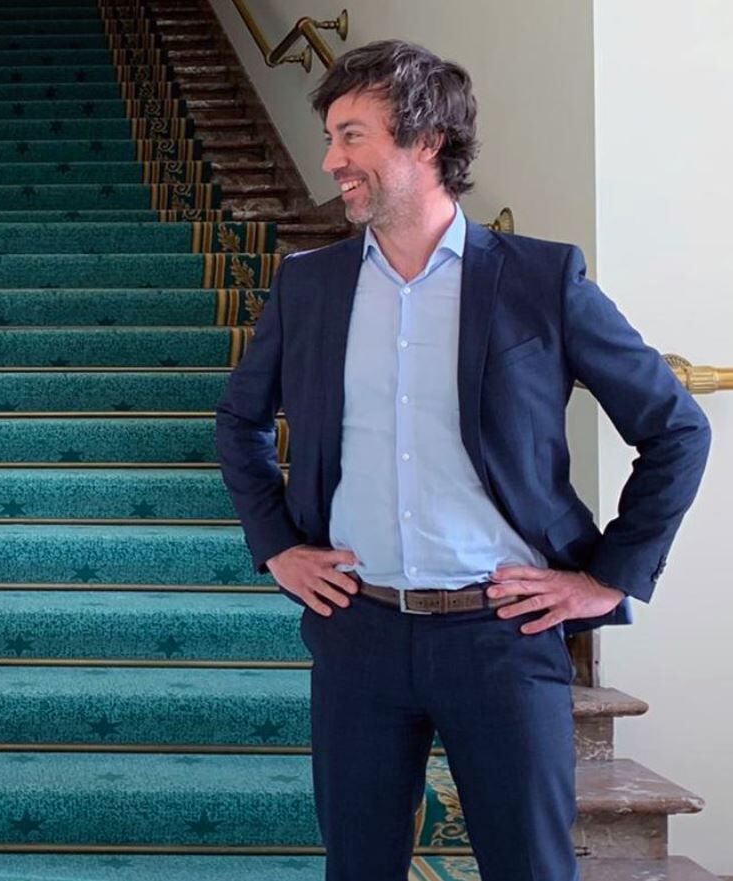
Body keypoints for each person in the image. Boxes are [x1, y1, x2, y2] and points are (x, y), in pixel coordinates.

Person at [217, 40, 710, 881]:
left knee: (531, 868)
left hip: (502, 636)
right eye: (330, 139)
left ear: (427, 140)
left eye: (352, 136)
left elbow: (676, 429)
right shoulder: (310, 286)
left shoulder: (542, 279)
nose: (331, 161)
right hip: (359, 630)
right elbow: (239, 421)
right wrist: (279, 547)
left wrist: (606, 578)